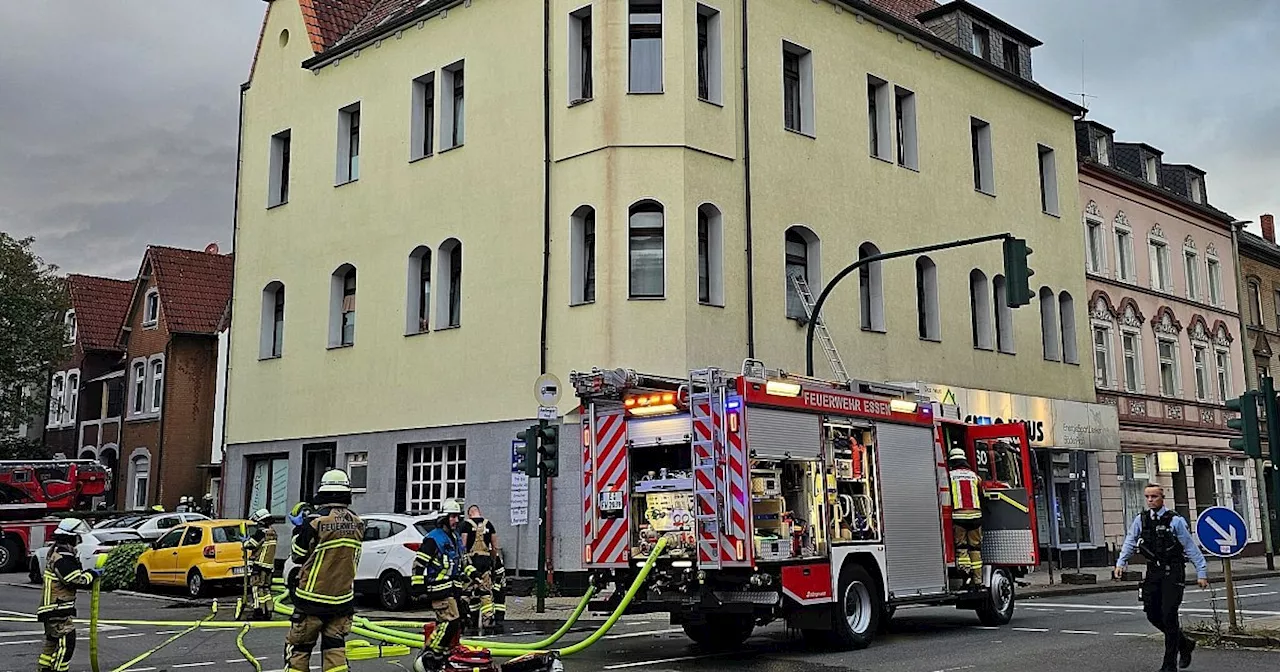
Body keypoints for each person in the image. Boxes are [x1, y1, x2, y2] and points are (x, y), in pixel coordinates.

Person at [1114, 484, 1209, 672]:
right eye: (1147, 497)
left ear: (1162, 497)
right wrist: (1120, 562)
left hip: (1173, 572)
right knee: (1152, 613)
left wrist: (1201, 573)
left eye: (1154, 497)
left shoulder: (1175, 521)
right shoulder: (1141, 520)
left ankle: (1169, 666)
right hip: (1153, 572)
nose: (1150, 500)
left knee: (1169, 615)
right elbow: (1130, 541)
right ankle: (1184, 644)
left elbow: (1190, 547)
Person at [285, 470, 364, 672]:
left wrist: (299, 530)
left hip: (312, 599)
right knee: (335, 651)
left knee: (299, 650)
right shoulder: (358, 522)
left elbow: (298, 555)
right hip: (342, 599)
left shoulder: (315, 521)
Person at [412, 499, 476, 672]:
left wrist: (474, 575)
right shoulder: (433, 539)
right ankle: (431, 654)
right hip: (439, 588)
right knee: (450, 623)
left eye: (457, 517)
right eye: (452, 517)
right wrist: (417, 587)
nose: (456, 520)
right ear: (444, 518)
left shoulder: (455, 539)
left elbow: (463, 562)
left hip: (453, 589)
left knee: (456, 623)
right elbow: (419, 565)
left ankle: (442, 656)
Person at [37, 518, 101, 672]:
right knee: (67, 644)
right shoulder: (64, 557)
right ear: (71, 537)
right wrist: (91, 575)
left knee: (52, 642)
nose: (78, 542)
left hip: (52, 608)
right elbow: (74, 580)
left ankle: (44, 668)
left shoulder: (58, 552)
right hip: (57, 609)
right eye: (77, 538)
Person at [460, 504, 506, 633]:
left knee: (466, 591)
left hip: (471, 561)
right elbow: (494, 546)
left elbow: (463, 545)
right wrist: (493, 562)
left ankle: (464, 617)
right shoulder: (489, 524)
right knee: (485, 591)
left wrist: (463, 562)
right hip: (485, 561)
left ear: (470, 514)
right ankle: (488, 619)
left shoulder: (466, 525)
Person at [947, 446, 984, 586]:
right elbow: (981, 493)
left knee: (961, 547)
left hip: (959, 517)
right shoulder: (974, 475)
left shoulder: (950, 476)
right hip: (976, 517)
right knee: (975, 548)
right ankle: (978, 579)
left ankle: (965, 576)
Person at [244, 508, 278, 620]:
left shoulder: (260, 533)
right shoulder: (273, 532)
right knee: (266, 589)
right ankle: (268, 611)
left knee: (256, 588)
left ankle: (258, 612)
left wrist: (244, 542)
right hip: (269, 566)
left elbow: (251, 545)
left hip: (259, 565)